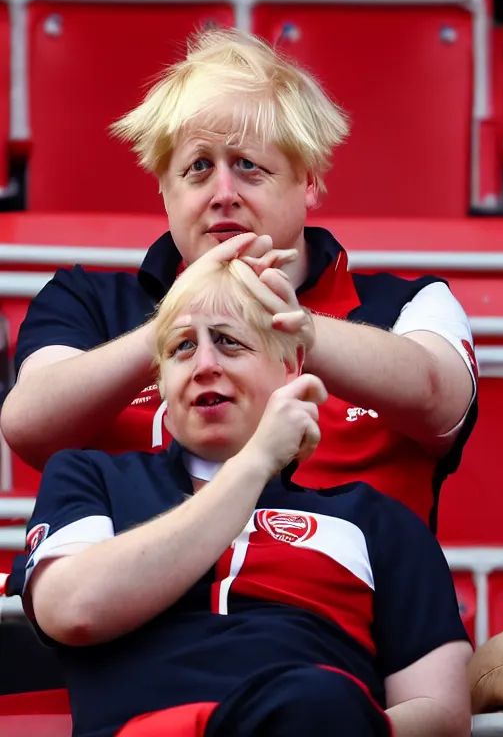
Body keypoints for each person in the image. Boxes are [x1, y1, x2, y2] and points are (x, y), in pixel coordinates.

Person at [0, 28, 477, 529]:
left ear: (309, 181)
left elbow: (440, 402)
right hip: (144, 605)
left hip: (347, 602)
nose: (223, 192)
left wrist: (290, 327)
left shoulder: (410, 304)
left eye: (248, 165)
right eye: (199, 167)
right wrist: (179, 325)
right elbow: (29, 427)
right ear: (165, 188)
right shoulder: (88, 301)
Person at [8, 255, 472, 737]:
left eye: (229, 342)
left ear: (292, 365)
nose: (205, 364)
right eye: (181, 347)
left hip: (318, 722)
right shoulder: (89, 477)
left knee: (317, 701)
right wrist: (254, 464)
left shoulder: (377, 521)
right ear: (161, 381)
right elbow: (71, 609)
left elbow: (442, 713)